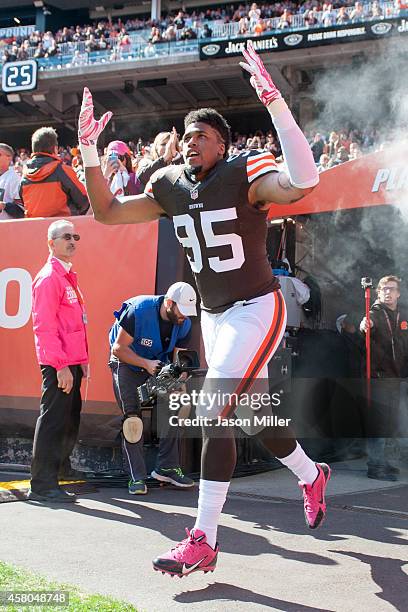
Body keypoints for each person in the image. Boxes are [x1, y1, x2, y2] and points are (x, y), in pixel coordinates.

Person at [78, 40, 331, 577]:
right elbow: (104, 212)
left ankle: (203, 538)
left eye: (202, 137)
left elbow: (304, 180)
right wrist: (91, 155)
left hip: (257, 307)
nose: (191, 143)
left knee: (213, 406)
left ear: (224, 144)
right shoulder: (168, 184)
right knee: (255, 419)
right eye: (186, 136)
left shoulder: (244, 175)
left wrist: (276, 104)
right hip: (215, 318)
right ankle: (311, 474)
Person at [109, 282, 197, 495]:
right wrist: (146, 364)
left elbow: (179, 357)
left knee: (181, 406)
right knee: (133, 420)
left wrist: (180, 380)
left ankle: (166, 467)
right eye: (181, 311)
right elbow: (118, 349)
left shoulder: (184, 323)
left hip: (157, 366)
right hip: (127, 363)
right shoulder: (138, 311)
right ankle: (136, 477)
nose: (184, 316)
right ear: (169, 303)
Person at [28, 219, 90, 503]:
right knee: (53, 419)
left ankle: (59, 471)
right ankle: (42, 485)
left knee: (68, 418)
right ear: (51, 243)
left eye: (75, 236)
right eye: (66, 237)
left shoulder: (67, 276)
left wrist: (81, 361)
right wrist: (60, 365)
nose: (73, 241)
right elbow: (44, 327)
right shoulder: (49, 277)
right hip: (58, 364)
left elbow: (74, 323)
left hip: (71, 362)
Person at [360, 276, 408, 481]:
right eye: (384, 289)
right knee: (379, 423)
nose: (388, 292)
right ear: (378, 292)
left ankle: (382, 461)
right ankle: (375, 466)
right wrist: (365, 326)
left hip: (395, 378)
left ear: (398, 293)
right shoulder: (375, 314)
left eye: (392, 289)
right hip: (379, 378)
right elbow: (365, 325)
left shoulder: (402, 316)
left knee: (389, 422)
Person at [20, 127, 89, 218]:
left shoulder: (24, 175)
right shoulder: (64, 170)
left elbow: (23, 202)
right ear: (55, 149)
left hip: (34, 227)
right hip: (64, 226)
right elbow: (84, 202)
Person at [0, 143, 24, 220]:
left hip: (7, 227)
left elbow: (21, 211)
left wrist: (4, 206)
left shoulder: (15, 178)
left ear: (9, 158)